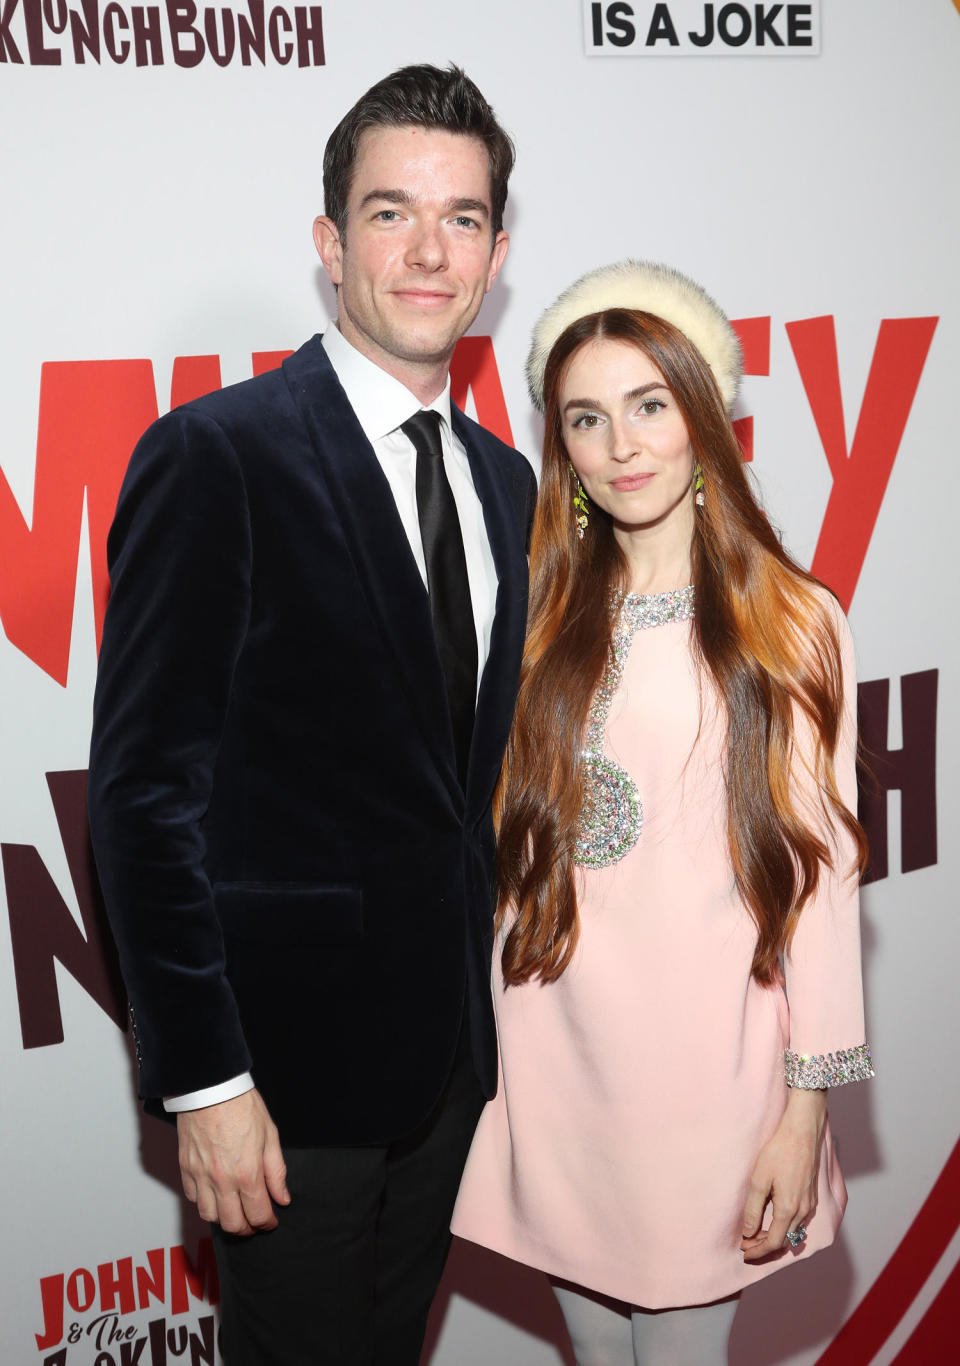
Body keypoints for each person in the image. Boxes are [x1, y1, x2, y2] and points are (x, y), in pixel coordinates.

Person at [87, 63, 535, 1366]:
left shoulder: (508, 486)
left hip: (451, 1071)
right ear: (331, 241)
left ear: (498, 254)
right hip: (283, 1090)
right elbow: (142, 801)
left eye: (461, 218)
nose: (427, 249)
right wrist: (207, 1082)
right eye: (391, 212)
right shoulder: (216, 455)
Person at [451, 260, 874, 1365]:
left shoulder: (794, 619)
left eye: (650, 404)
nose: (622, 444)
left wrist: (806, 1106)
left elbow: (823, 879)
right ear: (565, 450)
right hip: (559, 1070)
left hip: (709, 1086)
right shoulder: (536, 612)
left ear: (703, 414)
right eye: (587, 418)